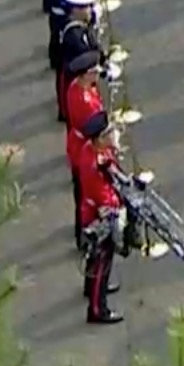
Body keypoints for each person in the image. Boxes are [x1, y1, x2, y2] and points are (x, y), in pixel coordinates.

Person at [74, 109, 125, 324]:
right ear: (100, 138)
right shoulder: (94, 166)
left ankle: (90, 288)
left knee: (94, 258)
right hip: (98, 217)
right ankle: (97, 308)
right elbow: (105, 197)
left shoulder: (92, 150)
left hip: (90, 211)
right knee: (102, 262)